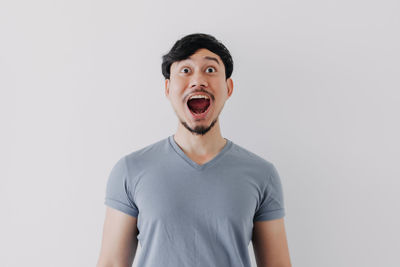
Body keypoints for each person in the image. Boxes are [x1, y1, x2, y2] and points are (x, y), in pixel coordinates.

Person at [97, 33, 292, 267]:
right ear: (168, 88)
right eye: (185, 70)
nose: (198, 80)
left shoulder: (262, 174)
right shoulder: (130, 170)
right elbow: (111, 263)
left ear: (228, 88)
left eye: (210, 70)